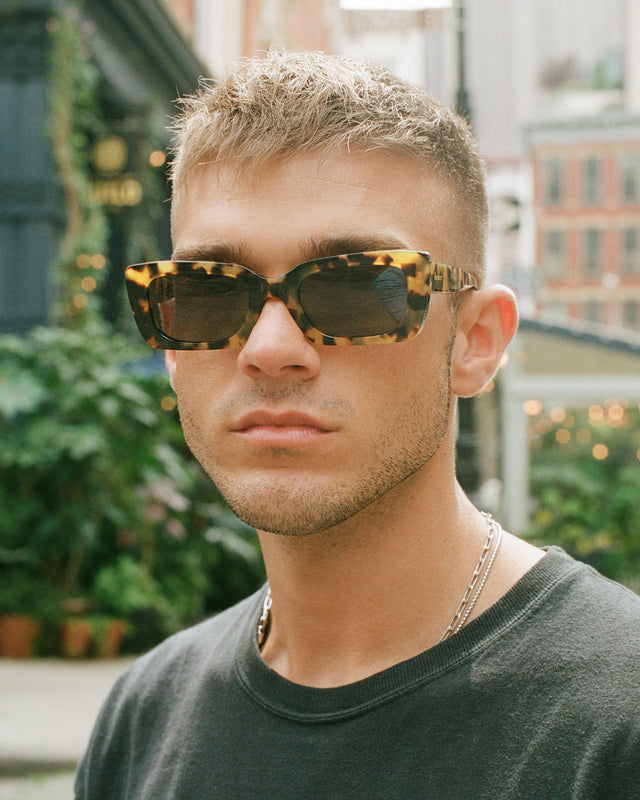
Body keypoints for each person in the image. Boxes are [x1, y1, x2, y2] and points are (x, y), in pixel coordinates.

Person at [75, 51, 640, 799]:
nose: (271, 350)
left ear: (476, 342)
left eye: (355, 288)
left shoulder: (617, 717)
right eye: (209, 295)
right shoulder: (143, 718)